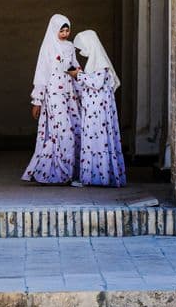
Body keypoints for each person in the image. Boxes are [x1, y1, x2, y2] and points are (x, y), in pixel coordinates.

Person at [21, 13, 81, 184]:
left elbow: (74, 67)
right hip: (54, 94)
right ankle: (58, 172)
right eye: (61, 30)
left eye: (67, 30)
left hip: (68, 93)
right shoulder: (48, 47)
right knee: (62, 131)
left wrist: (83, 88)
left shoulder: (70, 47)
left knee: (72, 128)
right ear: (54, 30)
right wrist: (37, 101)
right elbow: (41, 74)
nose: (64, 34)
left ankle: (66, 173)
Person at [72, 29, 126, 187]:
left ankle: (100, 178)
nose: (82, 51)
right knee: (92, 141)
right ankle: (91, 177)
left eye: (83, 47)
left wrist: (78, 75)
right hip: (92, 111)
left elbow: (96, 83)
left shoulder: (101, 63)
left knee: (99, 140)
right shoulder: (93, 63)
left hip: (98, 112)